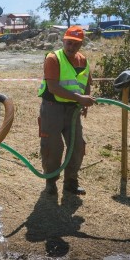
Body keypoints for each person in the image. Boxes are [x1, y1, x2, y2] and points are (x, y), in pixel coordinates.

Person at [37, 25, 96, 196]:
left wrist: (84, 103)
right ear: (63, 41)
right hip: (52, 109)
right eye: (69, 43)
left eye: (76, 44)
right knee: (52, 148)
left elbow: (85, 83)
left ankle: (71, 183)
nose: (71, 47)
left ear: (81, 45)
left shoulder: (83, 60)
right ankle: (50, 182)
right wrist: (80, 99)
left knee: (77, 147)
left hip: (73, 111)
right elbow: (53, 87)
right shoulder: (53, 58)